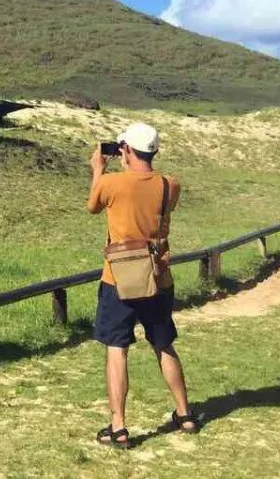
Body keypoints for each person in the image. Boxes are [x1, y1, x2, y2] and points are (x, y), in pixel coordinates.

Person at [87, 122, 199, 448]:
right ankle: (185, 413)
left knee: (116, 349)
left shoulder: (110, 182)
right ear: (154, 151)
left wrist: (97, 170)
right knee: (163, 344)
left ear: (125, 150)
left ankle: (119, 426)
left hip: (118, 278)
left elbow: (93, 206)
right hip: (157, 277)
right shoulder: (170, 185)